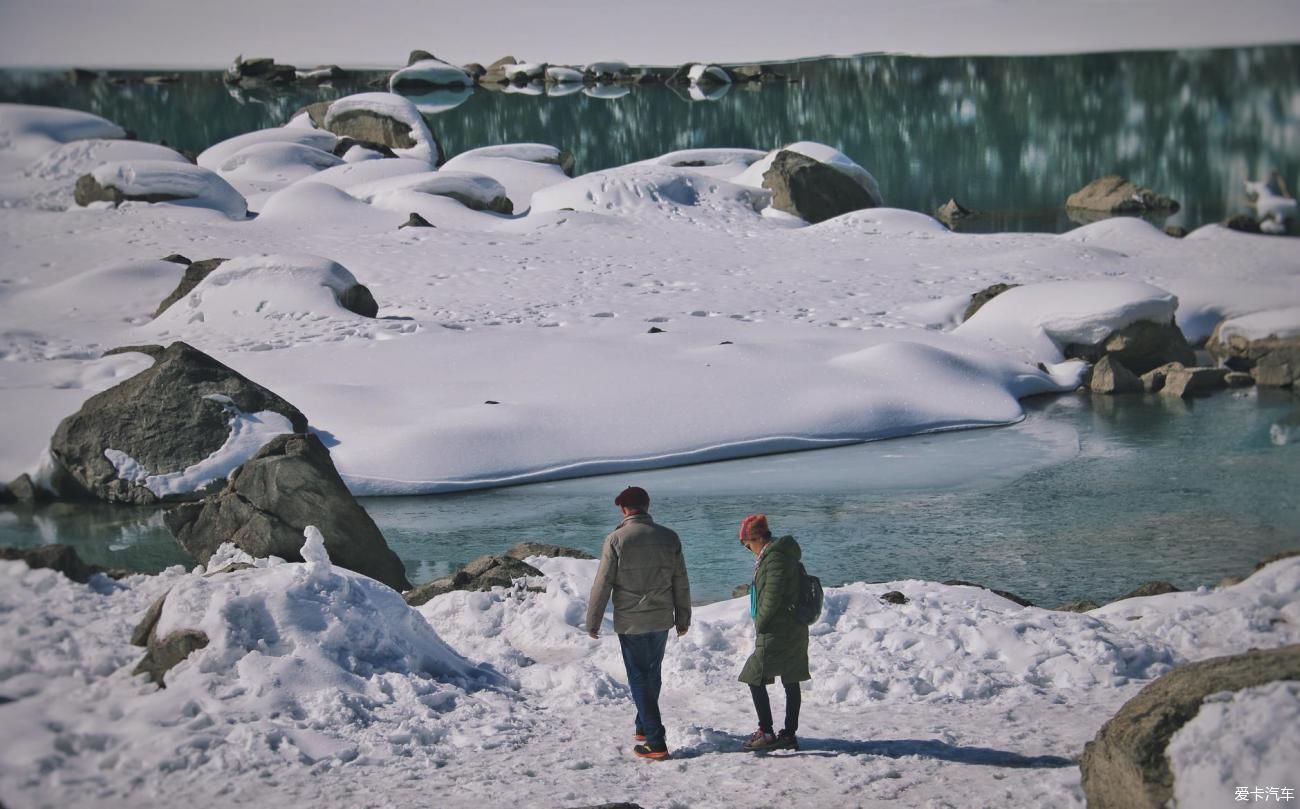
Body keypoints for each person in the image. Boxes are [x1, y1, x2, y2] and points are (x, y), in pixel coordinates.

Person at [586, 486, 691, 760]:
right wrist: (683, 617)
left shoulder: (616, 539)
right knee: (652, 673)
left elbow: (603, 583)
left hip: (631, 621)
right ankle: (643, 726)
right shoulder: (669, 537)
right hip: (660, 618)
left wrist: (593, 620)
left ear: (623, 509)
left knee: (638, 676)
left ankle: (656, 742)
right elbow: (680, 580)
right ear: (647, 505)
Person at [737, 513, 809, 752]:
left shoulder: (775, 558)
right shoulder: (779, 554)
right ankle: (788, 734)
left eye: (748, 545)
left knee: (753, 675)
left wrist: (761, 622)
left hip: (778, 628)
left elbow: (772, 595)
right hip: (793, 625)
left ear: (756, 538)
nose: (749, 550)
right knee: (791, 677)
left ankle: (766, 732)